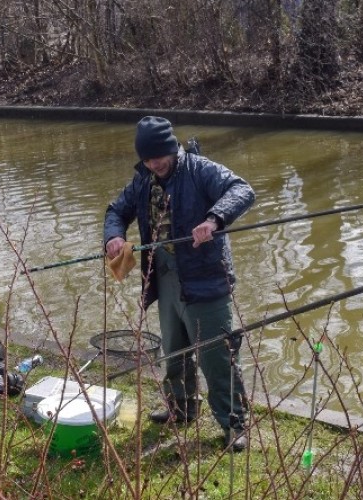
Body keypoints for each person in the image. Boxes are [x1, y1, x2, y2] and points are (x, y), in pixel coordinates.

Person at [103, 116, 255, 452]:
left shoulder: (200, 170)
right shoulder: (143, 180)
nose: (154, 164)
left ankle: (234, 424)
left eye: (159, 157)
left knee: (217, 357)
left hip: (206, 277)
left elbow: (242, 189)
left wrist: (215, 218)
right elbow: (116, 210)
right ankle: (182, 408)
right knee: (174, 352)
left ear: (172, 149)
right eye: (147, 158)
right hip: (165, 276)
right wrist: (114, 236)